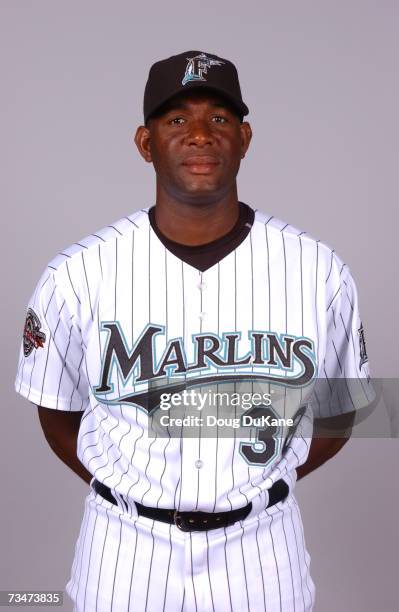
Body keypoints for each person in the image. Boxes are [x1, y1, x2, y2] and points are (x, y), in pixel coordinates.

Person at [15, 50, 374, 612]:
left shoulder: (317, 269)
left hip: (263, 552)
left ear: (245, 138)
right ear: (144, 142)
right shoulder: (77, 273)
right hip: (123, 552)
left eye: (220, 118)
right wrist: (131, 485)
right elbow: (56, 412)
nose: (201, 134)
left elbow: (344, 408)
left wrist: (265, 476)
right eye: (177, 119)